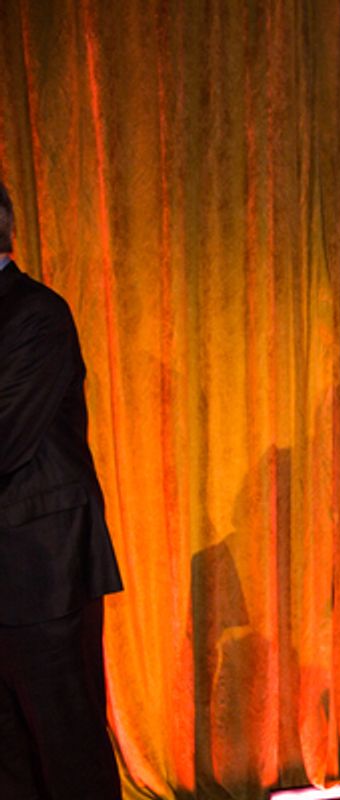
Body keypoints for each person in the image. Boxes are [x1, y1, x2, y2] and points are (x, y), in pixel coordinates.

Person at [0, 179, 124, 799]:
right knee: (8, 753)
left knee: (65, 743)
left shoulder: (35, 314)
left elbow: (6, 436)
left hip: (39, 568)